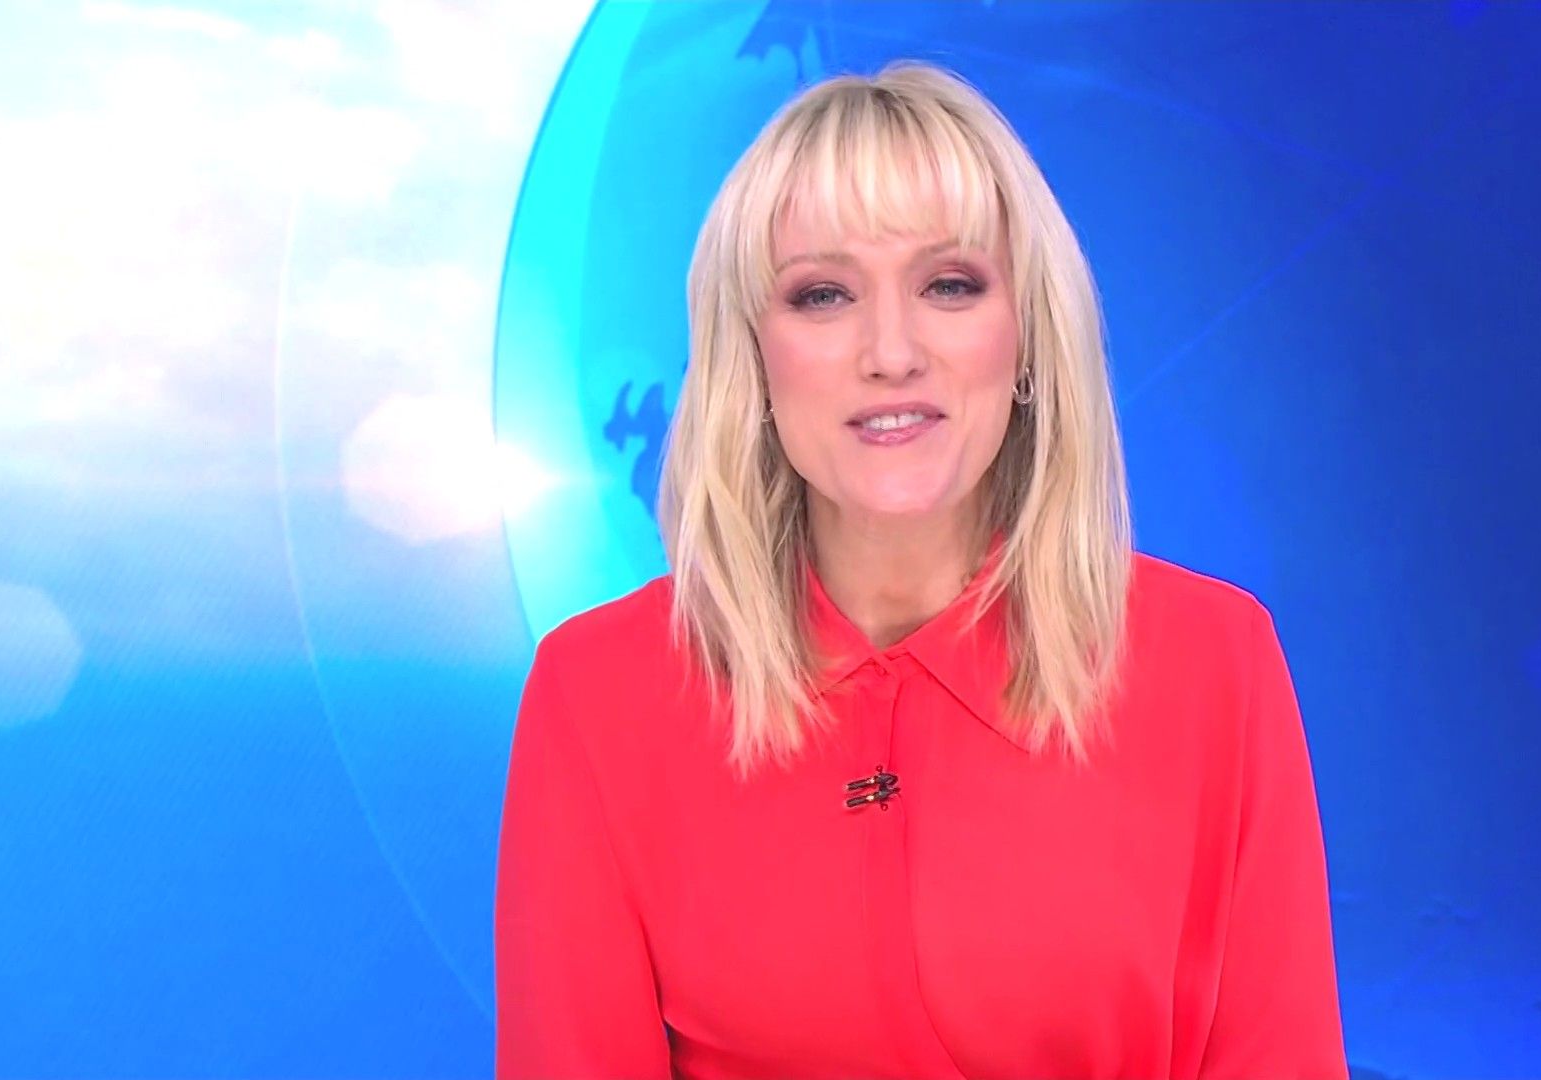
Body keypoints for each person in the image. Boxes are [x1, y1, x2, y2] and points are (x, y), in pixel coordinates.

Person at [494, 59, 1347, 1080]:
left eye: (949, 285)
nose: (892, 352)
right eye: (823, 295)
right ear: (752, 359)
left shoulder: (1215, 661)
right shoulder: (599, 691)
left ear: (1025, 338)